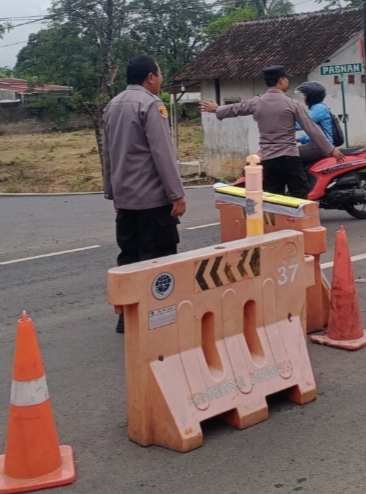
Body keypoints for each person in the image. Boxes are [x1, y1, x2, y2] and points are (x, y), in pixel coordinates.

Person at [102, 55, 186, 333]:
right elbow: (163, 153)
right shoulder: (151, 104)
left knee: (129, 258)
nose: (161, 79)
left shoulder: (112, 105)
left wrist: (113, 193)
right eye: (160, 74)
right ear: (150, 77)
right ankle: (158, 316)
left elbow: (108, 155)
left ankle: (128, 317)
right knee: (159, 259)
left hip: (125, 200)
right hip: (153, 200)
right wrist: (177, 194)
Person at [199, 66, 345, 197]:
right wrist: (331, 150)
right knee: (301, 197)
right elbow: (311, 129)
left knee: (274, 199)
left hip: (269, 159)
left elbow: (236, 108)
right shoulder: (292, 104)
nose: (287, 81)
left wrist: (216, 109)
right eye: (286, 78)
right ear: (281, 80)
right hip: (289, 158)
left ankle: (277, 220)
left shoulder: (257, 102)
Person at [294, 81, 336, 166]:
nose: (304, 98)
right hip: (318, 144)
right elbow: (314, 132)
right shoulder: (318, 108)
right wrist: (298, 139)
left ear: (311, 97)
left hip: (321, 145)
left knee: (291, 155)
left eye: (305, 95)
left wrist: (284, 125)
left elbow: (304, 123)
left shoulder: (319, 108)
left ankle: (299, 175)